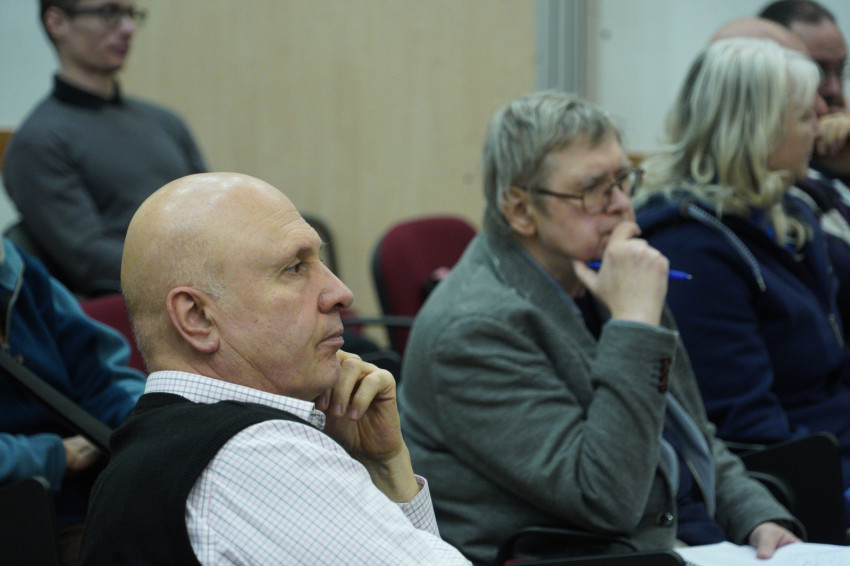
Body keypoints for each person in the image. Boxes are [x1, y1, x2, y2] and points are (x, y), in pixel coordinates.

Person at [397, 90, 802, 566]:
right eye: (594, 190)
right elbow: (605, 499)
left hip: (679, 541)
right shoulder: (473, 330)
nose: (624, 205)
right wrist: (635, 325)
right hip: (585, 556)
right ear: (521, 210)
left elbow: (688, 430)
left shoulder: (603, 271)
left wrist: (756, 518)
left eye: (623, 180)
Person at [77, 172, 471, 565]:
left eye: (318, 261)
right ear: (197, 317)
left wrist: (384, 467)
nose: (341, 293)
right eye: (295, 268)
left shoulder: (153, 452)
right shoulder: (257, 453)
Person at [635, 38, 850, 525]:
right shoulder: (690, 247)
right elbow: (747, 425)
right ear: (759, 130)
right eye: (805, 117)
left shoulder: (789, 214)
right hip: (798, 482)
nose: (820, 128)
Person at [1, 0, 206, 297]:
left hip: (204, 286)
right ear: (57, 23)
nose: (128, 28)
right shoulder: (38, 142)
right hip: (135, 307)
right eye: (109, 13)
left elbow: (213, 213)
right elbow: (90, 260)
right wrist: (200, 273)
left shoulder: (166, 121)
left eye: (130, 14)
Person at [0, 235, 146, 565]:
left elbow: (103, 379)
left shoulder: (22, 272)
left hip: (98, 490)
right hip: (28, 516)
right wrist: (56, 454)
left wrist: (150, 422)